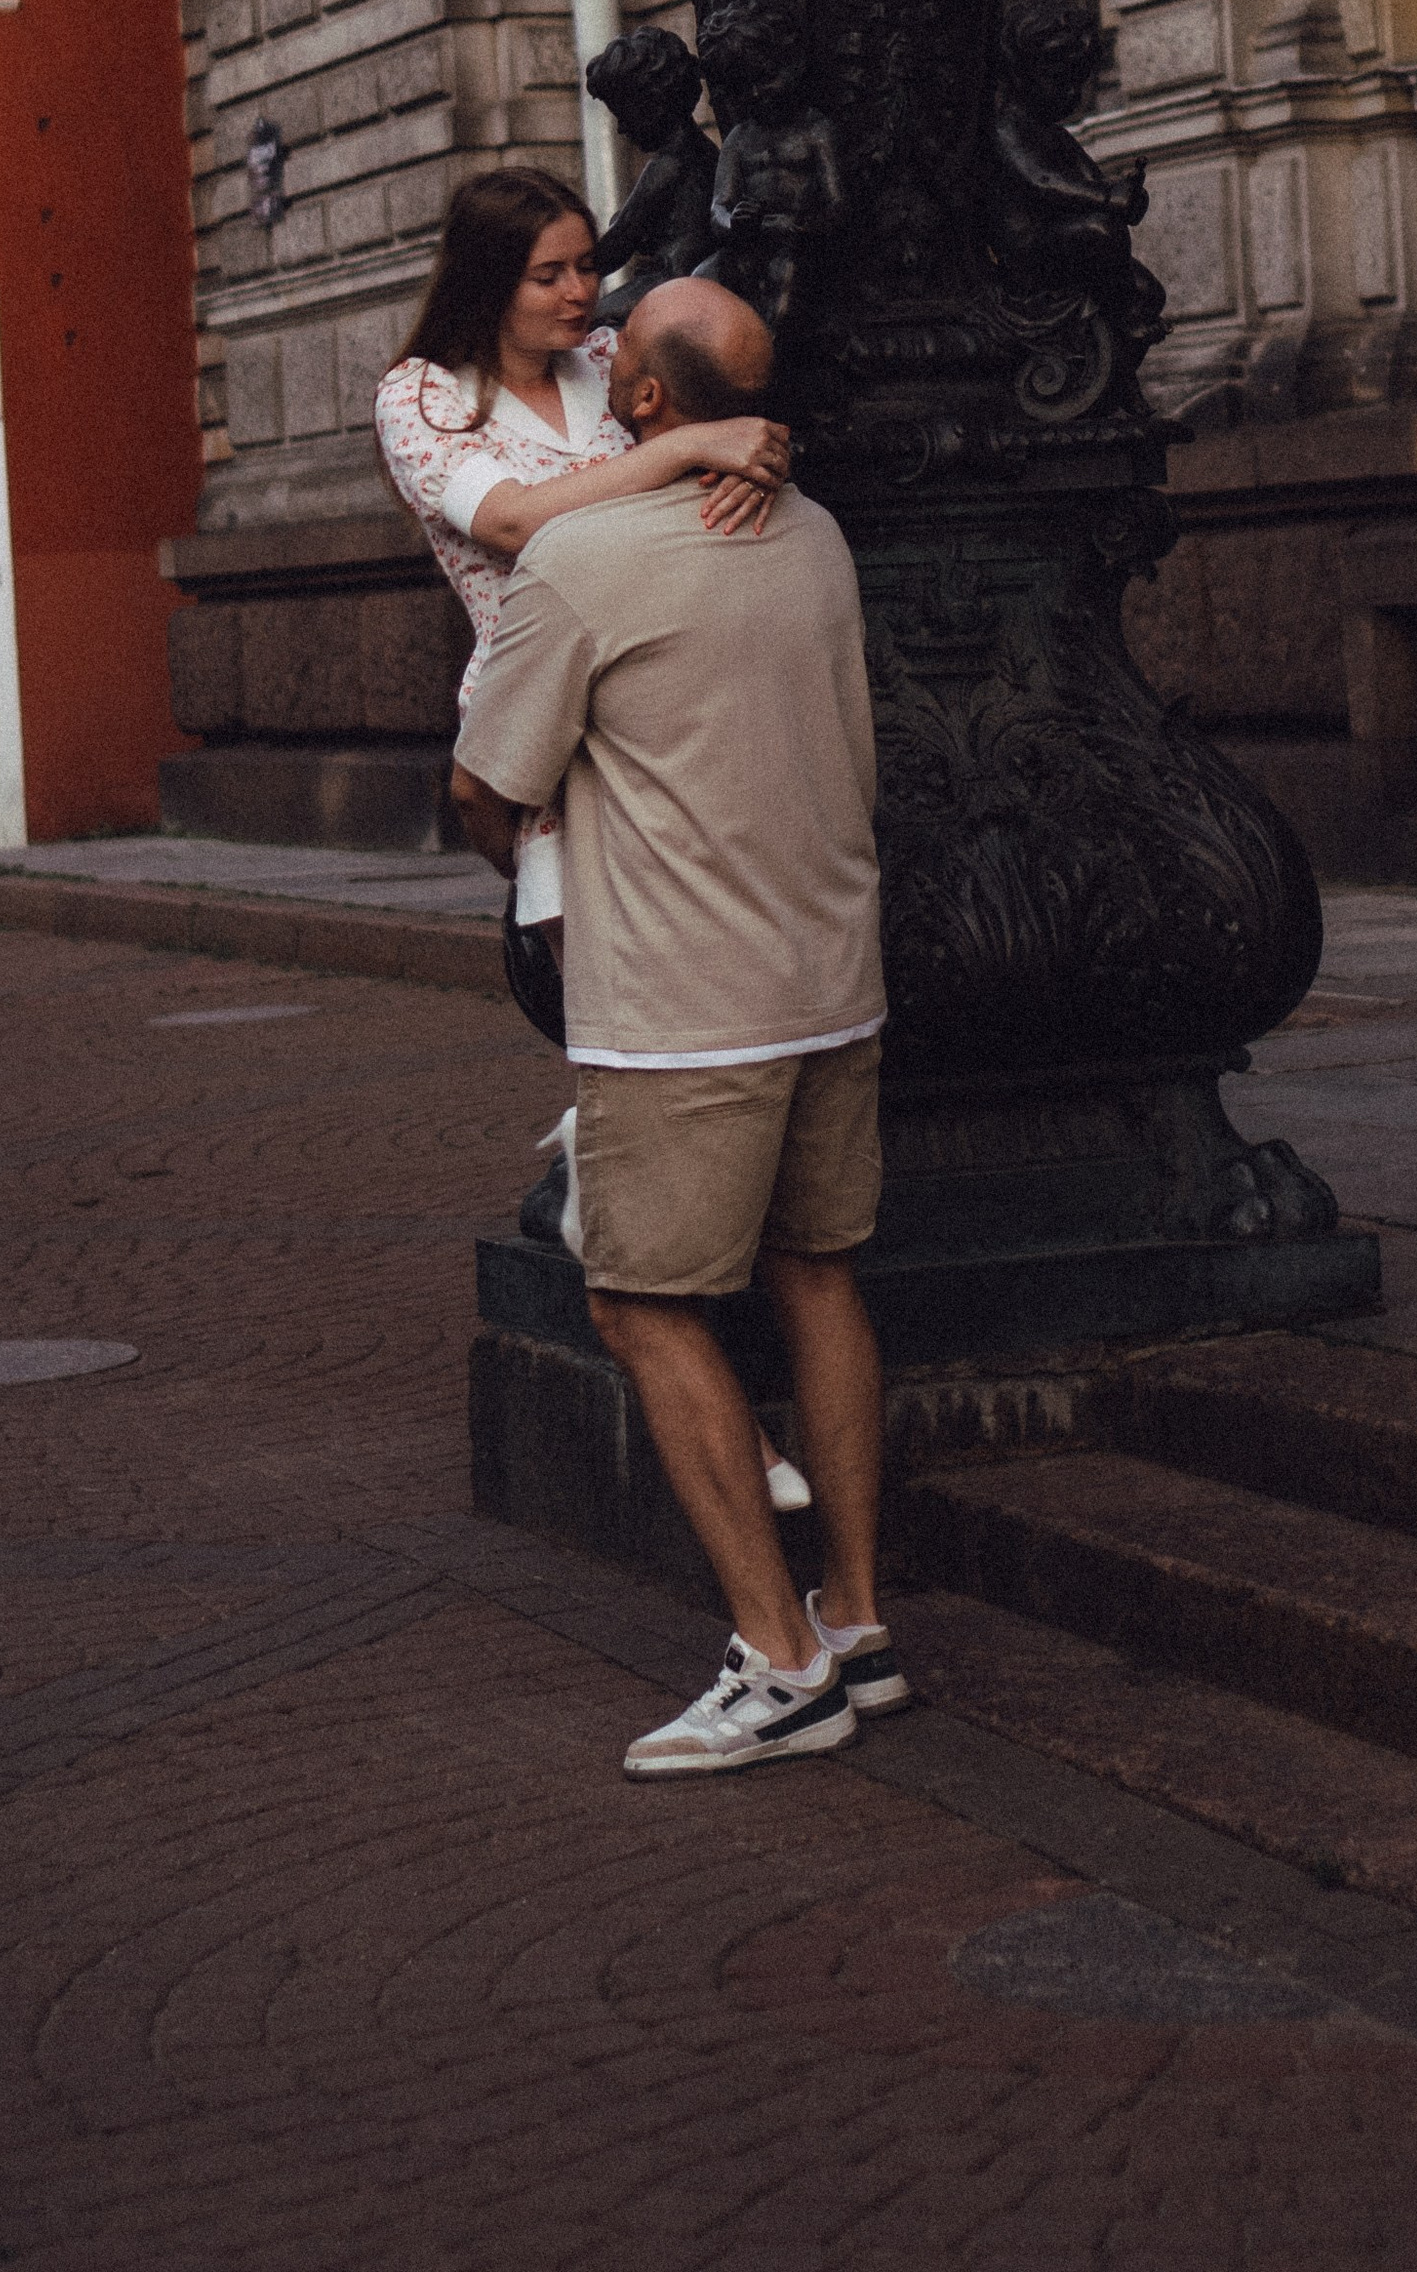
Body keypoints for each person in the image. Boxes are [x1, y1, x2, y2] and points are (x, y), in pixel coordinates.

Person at [451, 275, 908, 1779]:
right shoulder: (820, 534)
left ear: (643, 403)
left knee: (641, 1304)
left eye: (616, 350)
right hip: (832, 980)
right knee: (819, 1276)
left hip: (680, 1011)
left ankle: (777, 1665)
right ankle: (852, 1618)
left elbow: (485, 785)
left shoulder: (581, 560)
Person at [374, 167, 814, 1514]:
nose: (582, 295)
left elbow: (723, 438)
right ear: (487, 279)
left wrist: (755, 454)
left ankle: (594, 1188)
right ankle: (736, 1433)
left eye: (586, 268)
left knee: (695, 1081)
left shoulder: (612, 362)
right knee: (620, 1038)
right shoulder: (424, 399)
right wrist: (683, 453)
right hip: (550, 740)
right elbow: (504, 522)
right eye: (552, 274)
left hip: (682, 714)